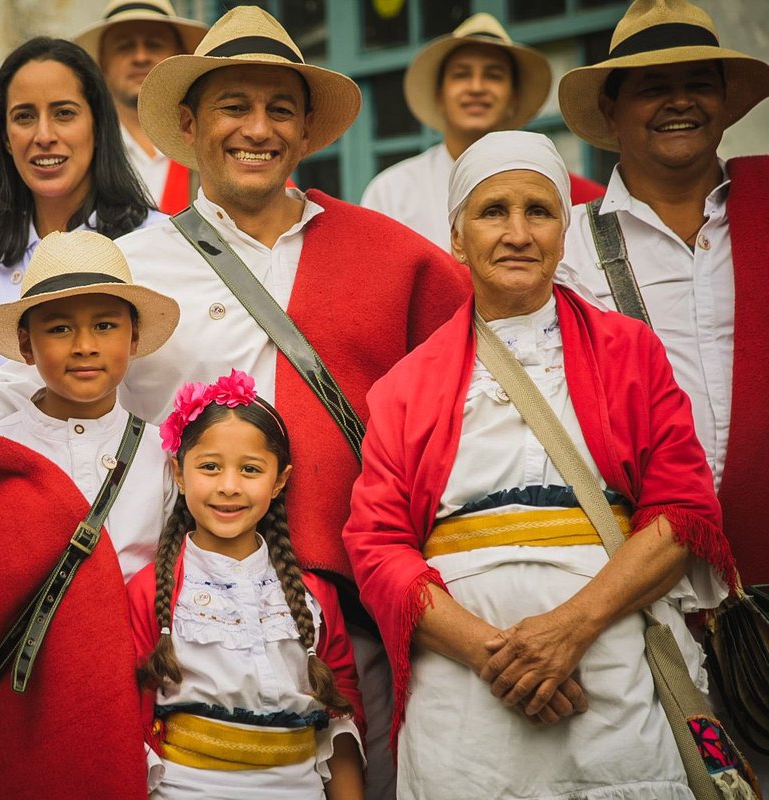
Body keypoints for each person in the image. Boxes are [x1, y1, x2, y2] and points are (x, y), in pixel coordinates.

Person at [0, 8, 471, 797]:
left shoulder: (391, 257)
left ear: (307, 129)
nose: (257, 129)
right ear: (191, 126)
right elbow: (29, 395)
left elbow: (469, 398)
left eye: (279, 109)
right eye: (234, 106)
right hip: (180, 624)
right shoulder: (132, 272)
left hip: (344, 615)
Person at [343, 130, 740, 798]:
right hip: (464, 701)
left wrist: (571, 629)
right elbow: (378, 546)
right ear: (457, 239)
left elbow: (682, 509)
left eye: (539, 211)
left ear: (565, 233)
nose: (518, 233)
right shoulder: (405, 385)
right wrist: (495, 656)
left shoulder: (630, 352)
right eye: (492, 212)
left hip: (612, 673)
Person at [0, 230, 180, 798]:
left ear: (134, 337)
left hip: (124, 690)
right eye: (60, 329)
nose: (85, 346)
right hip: (9, 699)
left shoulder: (160, 456)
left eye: (105, 326)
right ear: (26, 345)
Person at [558, 0, 769, 593]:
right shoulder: (567, 250)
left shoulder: (765, 210)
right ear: (611, 109)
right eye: (654, 88)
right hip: (642, 576)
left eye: (698, 84)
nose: (680, 102)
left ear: (724, 100)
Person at [130, 370, 365, 799]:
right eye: (210, 467)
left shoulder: (313, 596)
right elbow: (127, 722)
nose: (229, 486)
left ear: (279, 481)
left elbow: (341, 717)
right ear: (179, 473)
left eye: (251, 469)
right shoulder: (151, 592)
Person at [0, 36, 160, 384]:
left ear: (98, 125)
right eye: (24, 116)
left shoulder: (159, 243)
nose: (44, 135)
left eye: (64, 113)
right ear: (5, 136)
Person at [359, 13, 604, 251]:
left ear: (514, 98)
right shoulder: (392, 192)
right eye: (461, 74)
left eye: (493, 75)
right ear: (439, 96)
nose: (476, 87)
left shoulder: (563, 192)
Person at [75, 0, 207, 214]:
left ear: (178, 55)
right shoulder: (81, 148)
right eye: (124, 46)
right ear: (102, 61)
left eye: (154, 44)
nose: (140, 57)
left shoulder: (207, 144)